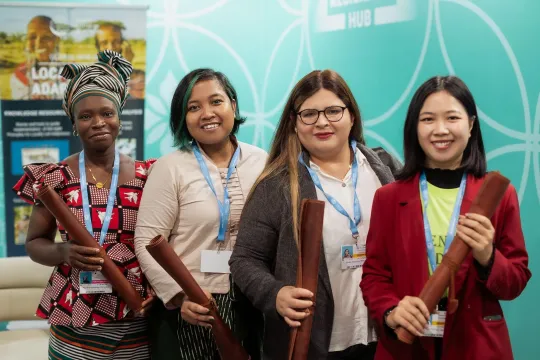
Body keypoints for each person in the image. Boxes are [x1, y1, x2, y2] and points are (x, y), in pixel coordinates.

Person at [229, 69, 401, 360]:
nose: (322, 122)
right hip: (317, 344)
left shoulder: (386, 170)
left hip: (385, 335)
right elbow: (245, 259)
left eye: (333, 111)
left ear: (352, 116)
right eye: (309, 114)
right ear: (294, 123)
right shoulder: (277, 185)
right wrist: (275, 294)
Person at [360, 75, 531, 360]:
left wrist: (488, 256)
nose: (440, 130)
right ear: (414, 127)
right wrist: (391, 311)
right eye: (428, 119)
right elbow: (374, 275)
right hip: (407, 346)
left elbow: (515, 280)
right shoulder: (389, 197)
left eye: (452, 117)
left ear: (471, 124)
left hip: (476, 345)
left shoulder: (498, 194)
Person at [13, 50, 154, 359]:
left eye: (107, 113)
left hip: (134, 315)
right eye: (86, 116)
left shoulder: (149, 176)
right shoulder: (54, 177)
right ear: (74, 123)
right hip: (74, 317)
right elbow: (35, 243)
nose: (98, 122)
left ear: (120, 116)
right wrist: (64, 252)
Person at [134, 68, 267, 360]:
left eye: (216, 102)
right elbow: (147, 240)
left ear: (233, 105)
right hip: (191, 306)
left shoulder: (263, 162)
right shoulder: (170, 168)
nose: (207, 113)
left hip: (253, 301)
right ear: (183, 117)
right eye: (194, 107)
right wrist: (178, 296)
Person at [10, 15, 61, 100]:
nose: (38, 43)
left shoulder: (69, 74)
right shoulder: (19, 75)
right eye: (32, 37)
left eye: (46, 37)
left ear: (56, 40)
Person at [95, 22, 144, 99]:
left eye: (116, 42)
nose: (110, 47)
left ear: (123, 44)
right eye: (104, 43)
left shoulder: (138, 76)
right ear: (98, 47)